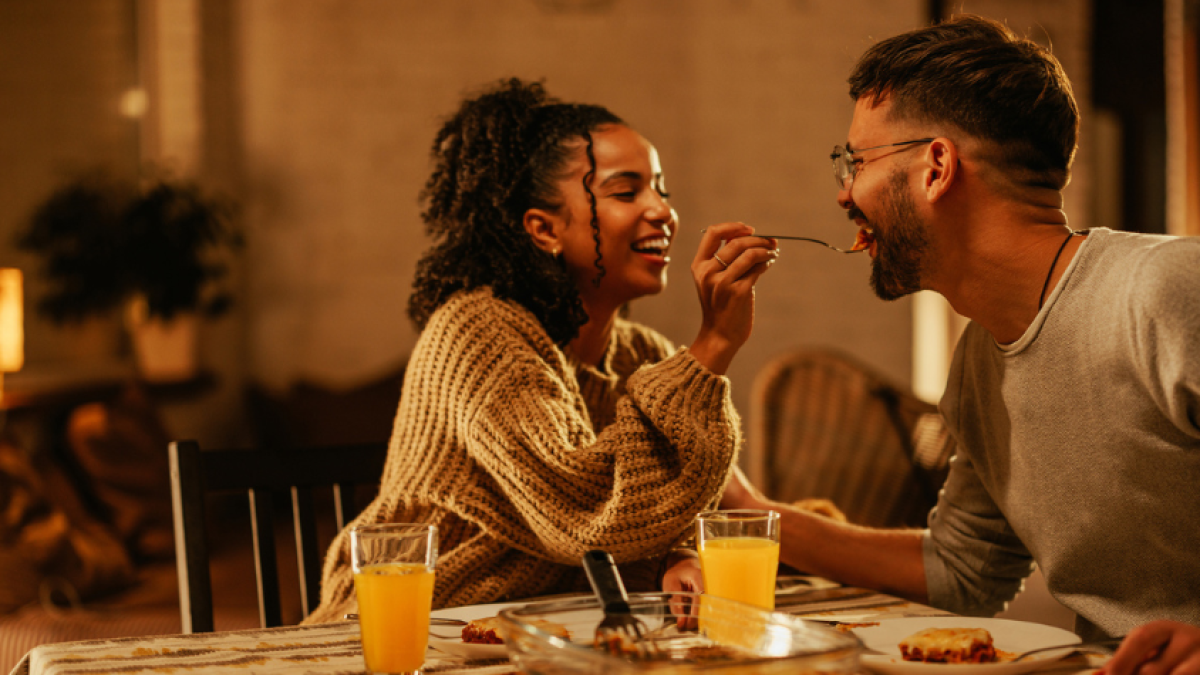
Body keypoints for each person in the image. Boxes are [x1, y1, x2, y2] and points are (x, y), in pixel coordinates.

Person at [721, 14, 1200, 675]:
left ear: (937, 166)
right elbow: (960, 568)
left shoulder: (1167, 290)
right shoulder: (979, 363)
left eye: (855, 162)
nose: (843, 193)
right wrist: (751, 511)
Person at [305, 78, 778, 623]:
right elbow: (588, 518)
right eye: (627, 192)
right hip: (403, 632)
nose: (663, 211)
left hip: (544, 635)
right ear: (544, 229)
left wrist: (673, 560)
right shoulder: (477, 333)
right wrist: (714, 342)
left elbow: (652, 521)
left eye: (662, 189)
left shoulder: (640, 356)